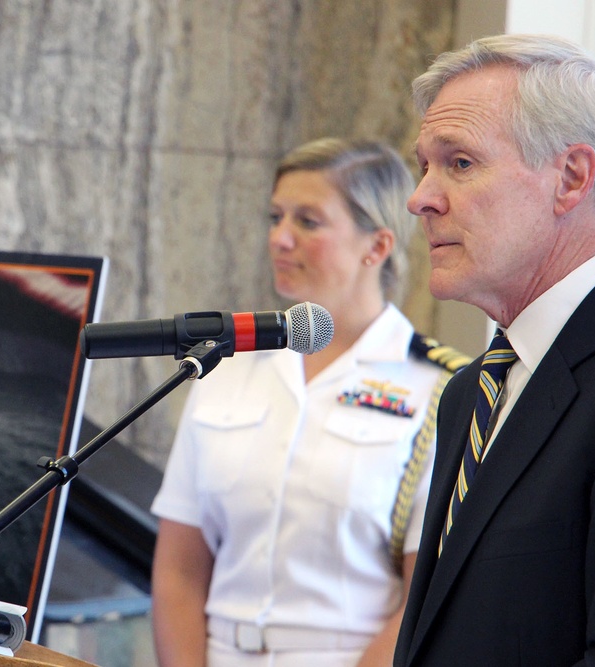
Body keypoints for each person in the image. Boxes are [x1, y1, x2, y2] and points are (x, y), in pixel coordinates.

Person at [394, 34, 595, 667]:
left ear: (571, 178)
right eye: (424, 165)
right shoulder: (472, 392)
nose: (422, 197)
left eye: (459, 163)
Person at [150, 137, 468, 667]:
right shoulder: (226, 367)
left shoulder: (438, 389)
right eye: (276, 217)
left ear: (377, 246)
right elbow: (180, 569)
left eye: (308, 221)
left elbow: (423, 597)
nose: (279, 238)